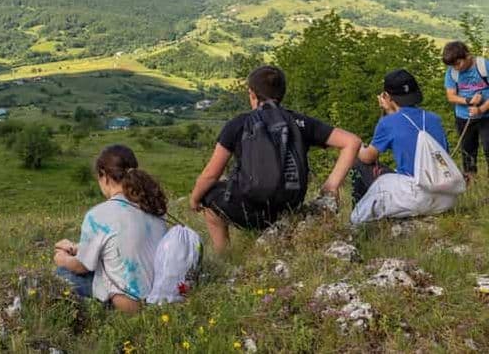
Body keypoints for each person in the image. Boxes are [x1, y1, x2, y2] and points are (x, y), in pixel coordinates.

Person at [190, 65, 360, 253]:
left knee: (209, 199)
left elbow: (210, 176)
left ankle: (225, 255)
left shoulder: (239, 123)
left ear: (252, 94)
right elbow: (352, 142)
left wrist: (195, 199)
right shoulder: (299, 122)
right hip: (289, 207)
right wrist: (330, 186)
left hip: (249, 209)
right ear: (282, 93)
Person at [53, 145, 167, 313]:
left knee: (62, 273)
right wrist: (77, 248)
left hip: (128, 303)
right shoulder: (152, 207)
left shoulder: (98, 215)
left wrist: (61, 257)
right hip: (159, 298)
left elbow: (81, 267)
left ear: (104, 176)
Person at [350, 69, 460, 224]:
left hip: (415, 196)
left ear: (387, 96)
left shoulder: (388, 123)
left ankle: (358, 220)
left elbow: (368, 158)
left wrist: (359, 146)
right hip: (446, 198)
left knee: (359, 164)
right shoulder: (434, 119)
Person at [442, 41, 489, 180]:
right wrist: (468, 101)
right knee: (467, 151)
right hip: (463, 117)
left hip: (486, 117)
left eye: (458, 63)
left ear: (467, 56)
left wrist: (481, 109)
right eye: (452, 65)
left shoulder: (483, 66)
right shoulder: (452, 72)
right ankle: (471, 183)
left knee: (488, 147)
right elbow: (451, 96)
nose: (456, 68)